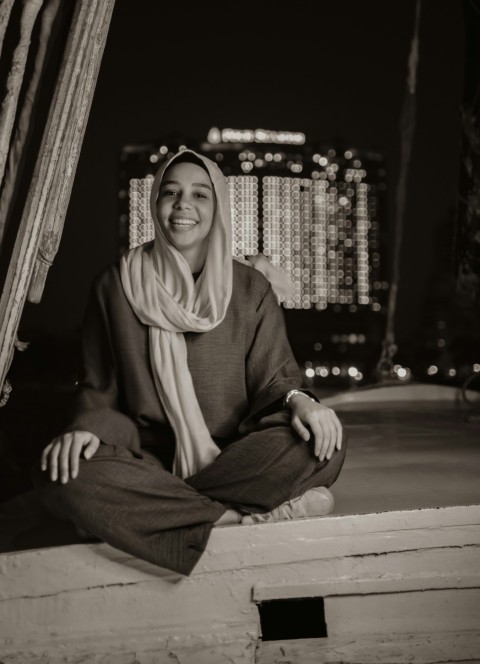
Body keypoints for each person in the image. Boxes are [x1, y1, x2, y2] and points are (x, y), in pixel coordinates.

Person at [32, 149, 347, 576]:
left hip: (235, 454)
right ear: (155, 202)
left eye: (200, 194)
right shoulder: (115, 283)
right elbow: (99, 388)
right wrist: (86, 430)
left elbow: (276, 377)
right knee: (63, 475)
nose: (183, 205)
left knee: (322, 445)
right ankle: (234, 520)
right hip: (145, 456)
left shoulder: (251, 287)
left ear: (217, 208)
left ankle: (153, 511)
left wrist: (301, 401)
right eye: (171, 192)